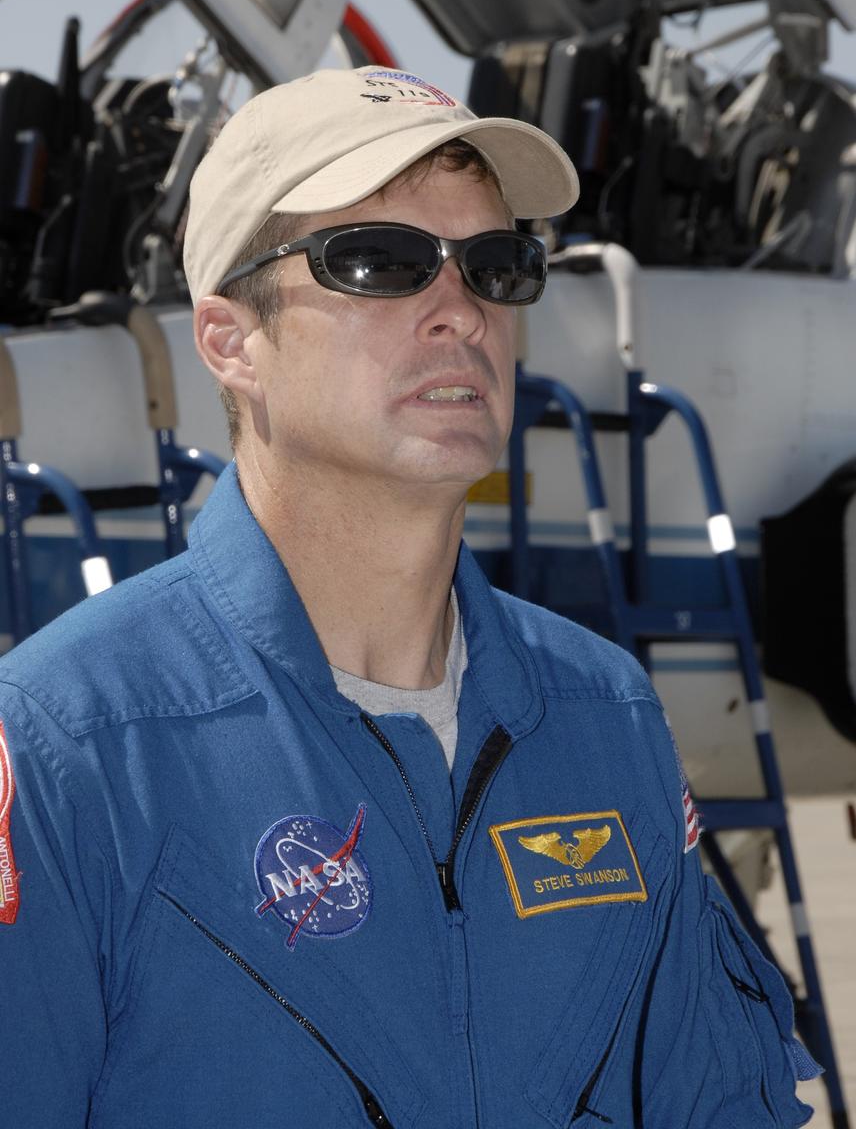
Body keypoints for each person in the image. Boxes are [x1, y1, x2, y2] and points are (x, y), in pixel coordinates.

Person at [0, 66, 820, 1127]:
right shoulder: (72, 746)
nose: (460, 312)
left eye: (495, 265)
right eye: (379, 261)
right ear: (229, 341)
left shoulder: (604, 715)